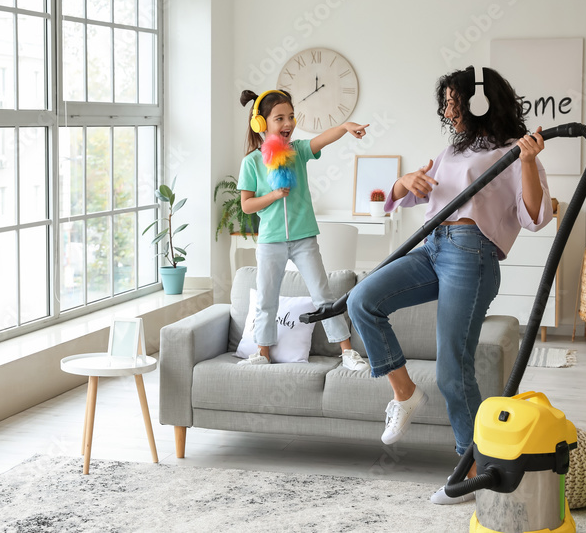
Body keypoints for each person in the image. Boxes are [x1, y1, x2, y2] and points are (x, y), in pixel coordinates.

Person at [346, 66, 551, 505]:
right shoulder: (450, 152)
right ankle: (403, 392)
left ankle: (474, 470)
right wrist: (405, 182)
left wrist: (529, 163)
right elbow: (404, 195)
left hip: (470, 253)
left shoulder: (516, 152)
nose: (446, 111)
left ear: (479, 103)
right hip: (431, 245)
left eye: (453, 103)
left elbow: (535, 217)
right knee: (362, 299)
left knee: (452, 370)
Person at [236, 88, 369, 371]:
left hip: (303, 237)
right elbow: (247, 205)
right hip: (271, 241)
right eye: (279, 118)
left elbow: (323, 139)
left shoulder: (297, 152)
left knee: (323, 295)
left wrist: (345, 128)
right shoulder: (251, 162)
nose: (288, 124)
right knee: (266, 298)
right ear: (261, 124)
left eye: (291, 116)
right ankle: (263, 351)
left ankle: (346, 352)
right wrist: (272, 196)